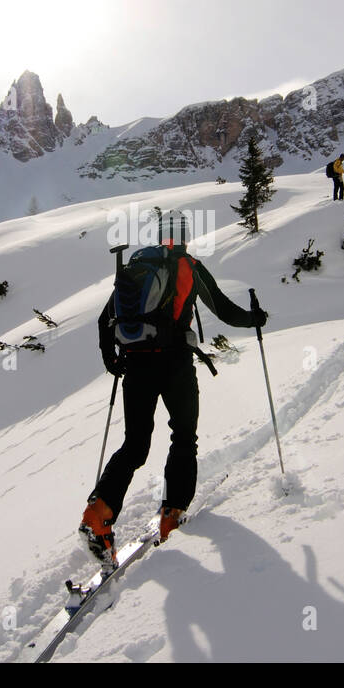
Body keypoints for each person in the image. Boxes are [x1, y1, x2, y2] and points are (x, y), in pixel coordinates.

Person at [80, 239, 267, 561]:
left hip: (136, 364)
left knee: (134, 445)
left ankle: (98, 512)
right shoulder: (187, 265)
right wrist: (255, 319)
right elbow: (223, 310)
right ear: (182, 238)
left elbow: (104, 321)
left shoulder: (136, 268)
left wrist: (111, 359)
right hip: (175, 363)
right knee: (183, 436)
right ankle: (171, 514)